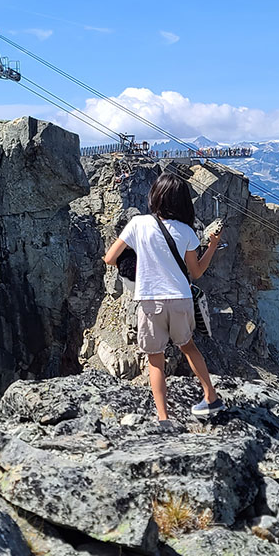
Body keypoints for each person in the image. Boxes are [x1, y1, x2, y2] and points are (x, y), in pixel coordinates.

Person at [102, 172, 223, 425]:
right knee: (188, 347)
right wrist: (212, 246)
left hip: (149, 301)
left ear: (155, 196)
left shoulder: (138, 223)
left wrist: (137, 259)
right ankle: (210, 396)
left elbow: (110, 258)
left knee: (155, 360)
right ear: (182, 202)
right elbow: (197, 272)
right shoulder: (187, 231)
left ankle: (163, 418)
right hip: (180, 298)